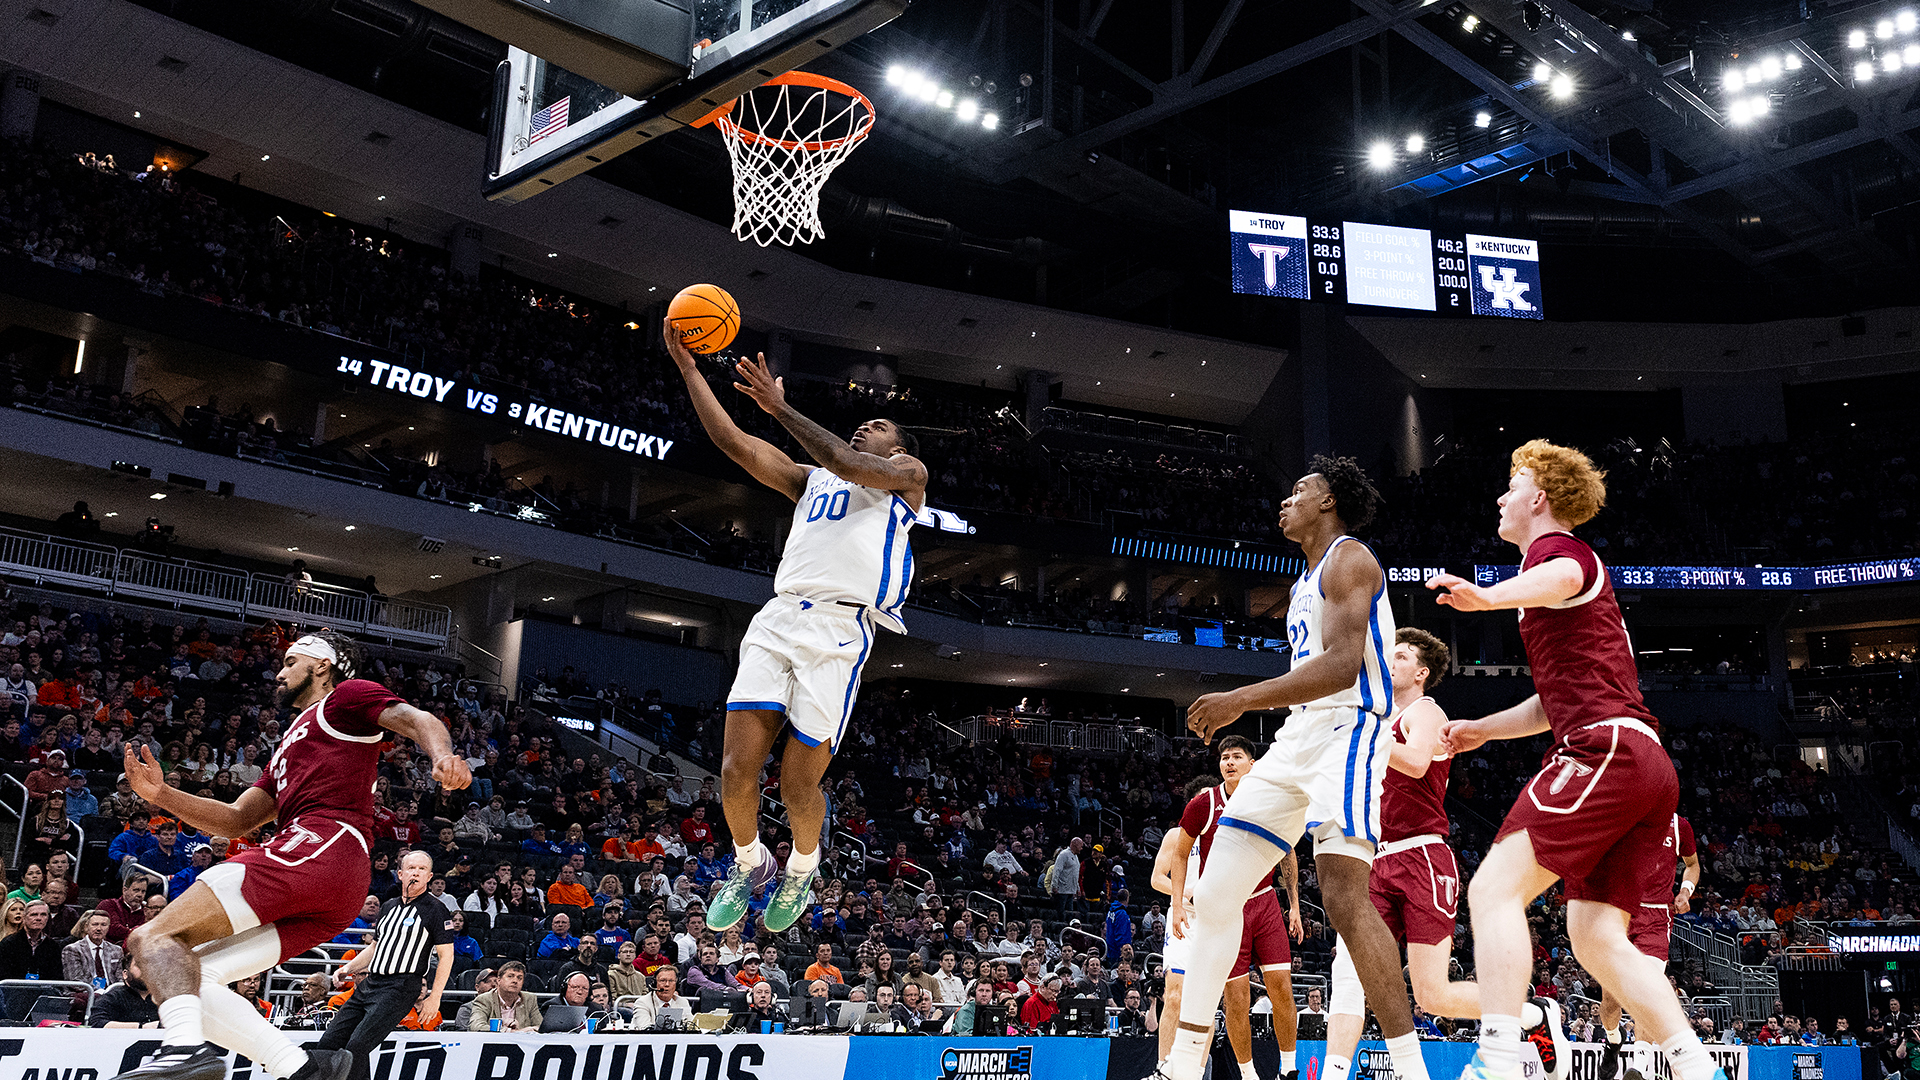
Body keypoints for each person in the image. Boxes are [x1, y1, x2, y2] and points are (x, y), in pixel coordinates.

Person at [1429, 440, 1718, 1080]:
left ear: (1539, 497)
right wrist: (1482, 729)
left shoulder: (1562, 557)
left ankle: (1500, 1057)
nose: (1501, 498)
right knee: (1593, 939)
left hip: (1605, 750)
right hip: (1639, 761)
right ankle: (1697, 1067)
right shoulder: (1551, 589)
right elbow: (1549, 703)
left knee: (1493, 888)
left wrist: (1486, 597)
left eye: (1512, 484)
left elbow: (1566, 575)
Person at [112, 629, 471, 1080]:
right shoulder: (288, 741)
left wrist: (442, 756)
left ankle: (184, 1050)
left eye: (289, 662)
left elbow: (419, 718)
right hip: (333, 880)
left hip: (319, 846)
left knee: (151, 939)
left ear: (322, 665)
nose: (279, 674)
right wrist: (163, 795)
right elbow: (238, 820)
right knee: (186, 975)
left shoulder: (345, 699)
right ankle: (302, 1071)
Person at [1170, 457, 1425, 1080]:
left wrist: (1240, 699)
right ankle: (1181, 1064)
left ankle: (1412, 1068)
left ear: (1328, 501)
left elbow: (1341, 666)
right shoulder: (1300, 584)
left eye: (1298, 491)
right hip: (1299, 735)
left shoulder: (1351, 558)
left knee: (1342, 899)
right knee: (1215, 893)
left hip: (1349, 728)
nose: (1285, 501)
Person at [669, 325, 929, 936]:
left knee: (796, 783)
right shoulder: (810, 482)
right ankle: (748, 862)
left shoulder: (907, 477)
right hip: (782, 616)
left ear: (899, 448)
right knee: (735, 768)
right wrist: (688, 368)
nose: (867, 426)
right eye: (864, 424)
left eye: (879, 426)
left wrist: (781, 406)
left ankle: (803, 867)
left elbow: (846, 458)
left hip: (842, 631)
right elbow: (734, 443)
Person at [1325, 628, 1555, 1080]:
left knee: (1431, 995)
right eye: (1389, 654)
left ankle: (1529, 1015)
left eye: (1402, 656)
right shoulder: (1379, 716)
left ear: (1421, 672)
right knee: (1350, 973)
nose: (1391, 661)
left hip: (1421, 856)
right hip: (1374, 857)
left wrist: (1364, 733)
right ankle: (1333, 1072)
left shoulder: (1425, 711)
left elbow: (1415, 762)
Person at [1166, 738, 1304, 1080]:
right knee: (1236, 997)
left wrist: (1296, 907)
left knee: (1282, 988)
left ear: (1252, 764)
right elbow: (1180, 854)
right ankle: (1248, 1073)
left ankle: (1289, 1069)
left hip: (1265, 901)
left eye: (1236, 757)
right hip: (1227, 909)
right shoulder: (1205, 804)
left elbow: (1287, 851)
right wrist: (1177, 903)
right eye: (1224, 757)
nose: (1229, 762)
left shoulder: (1268, 799)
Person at [315, 852, 455, 1080]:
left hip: (400, 986)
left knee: (357, 1046)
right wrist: (347, 968)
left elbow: (446, 956)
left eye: (422, 869)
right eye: (411, 868)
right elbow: (374, 948)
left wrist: (435, 997)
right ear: (400, 874)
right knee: (329, 1042)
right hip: (371, 983)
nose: (416, 872)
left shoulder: (436, 909)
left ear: (429, 877)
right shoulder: (388, 906)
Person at [1597, 814, 1701, 1080]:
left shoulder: (1679, 826)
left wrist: (1685, 891)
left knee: (1646, 990)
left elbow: (1692, 864)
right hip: (1620, 913)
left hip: (1656, 918)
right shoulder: (1624, 814)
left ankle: (1639, 1066)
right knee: (1609, 1000)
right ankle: (1613, 1039)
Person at [464, 960, 541, 1031]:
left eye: (519, 978)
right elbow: (476, 1026)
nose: (515, 981)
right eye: (510, 976)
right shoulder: (484, 999)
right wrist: (507, 1031)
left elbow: (541, 1027)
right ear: (498, 981)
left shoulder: (530, 999)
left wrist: (532, 1030)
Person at [91, 956, 163, 1028]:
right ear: (125, 974)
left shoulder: (164, 998)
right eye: (139, 965)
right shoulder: (112, 998)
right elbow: (97, 1023)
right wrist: (141, 1027)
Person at [64, 908, 126, 990]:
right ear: (87, 927)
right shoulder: (73, 949)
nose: (99, 928)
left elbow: (120, 979)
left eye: (103, 925)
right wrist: (98, 991)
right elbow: (76, 981)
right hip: (85, 992)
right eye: (95, 924)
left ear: (108, 928)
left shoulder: (117, 950)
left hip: (111, 993)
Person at [629, 964, 691, 1030]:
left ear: (676, 984)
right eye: (662, 981)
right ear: (655, 984)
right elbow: (644, 1028)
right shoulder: (642, 1003)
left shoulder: (683, 1002)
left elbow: (691, 1026)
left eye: (671, 981)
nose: (667, 984)